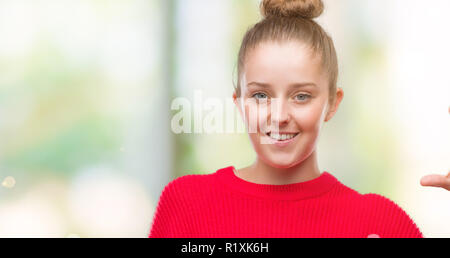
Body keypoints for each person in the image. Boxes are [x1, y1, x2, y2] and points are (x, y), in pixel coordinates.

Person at [149, 0, 448, 238]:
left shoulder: (382, 222)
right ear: (239, 104)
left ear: (332, 104)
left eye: (301, 96)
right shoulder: (186, 204)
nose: (279, 117)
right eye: (261, 96)